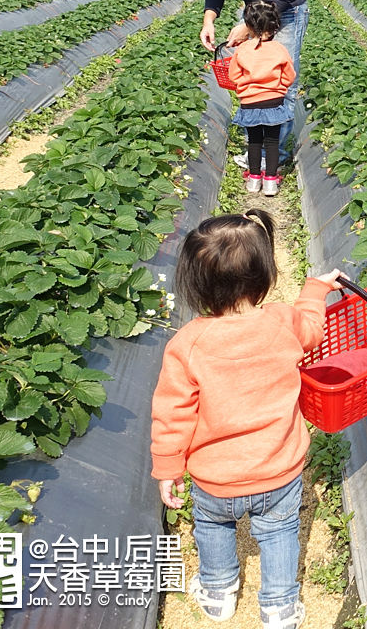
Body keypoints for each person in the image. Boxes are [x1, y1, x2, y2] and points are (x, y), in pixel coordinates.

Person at [150, 210, 342, 629]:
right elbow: (312, 328)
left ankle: (218, 593)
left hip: (215, 477)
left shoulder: (189, 344)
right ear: (264, 277)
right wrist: (314, 290)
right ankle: (278, 606)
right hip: (279, 470)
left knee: (214, 528)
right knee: (278, 534)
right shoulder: (282, 322)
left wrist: (168, 467)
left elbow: (172, 413)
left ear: (194, 283)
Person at [175, 0, 308, 167]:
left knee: (282, 83)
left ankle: (276, 156)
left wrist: (248, 28)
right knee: (250, 78)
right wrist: (208, 20)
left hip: (287, 11)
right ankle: (256, 148)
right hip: (255, 12)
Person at [227, 0, 295, 197]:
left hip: (250, 102)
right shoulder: (280, 49)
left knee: (254, 141)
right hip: (274, 101)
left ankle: (254, 179)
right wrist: (279, 88)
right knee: (272, 142)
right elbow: (289, 75)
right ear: (275, 26)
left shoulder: (242, 50)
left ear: (248, 26)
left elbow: (233, 76)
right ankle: (271, 182)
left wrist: (245, 88)